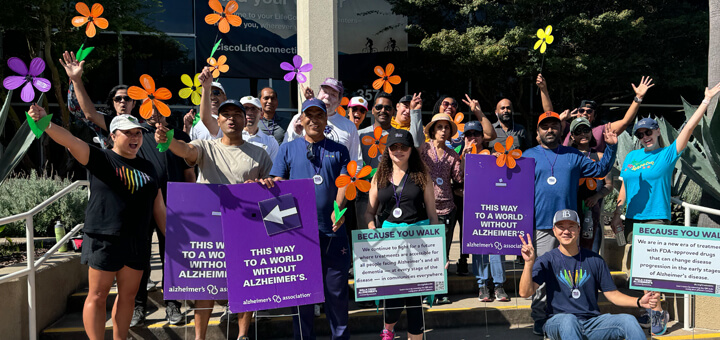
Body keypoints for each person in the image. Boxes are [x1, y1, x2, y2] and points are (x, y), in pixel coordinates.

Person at [29, 106, 166, 340]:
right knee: (98, 294)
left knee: (128, 296)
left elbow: (159, 207)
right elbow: (70, 141)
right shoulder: (101, 157)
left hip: (137, 241)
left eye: (138, 133)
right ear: (113, 136)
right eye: (128, 133)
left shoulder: (148, 167)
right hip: (104, 237)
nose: (134, 137)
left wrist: (172, 238)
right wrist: (46, 123)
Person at [158, 67, 274, 340]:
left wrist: (262, 187)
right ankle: (199, 337)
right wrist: (167, 141)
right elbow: (186, 151)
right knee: (205, 284)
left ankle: (243, 335)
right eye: (226, 115)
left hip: (248, 227)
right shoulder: (206, 146)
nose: (232, 119)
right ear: (218, 120)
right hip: (209, 228)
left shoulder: (261, 153)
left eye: (237, 115)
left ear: (245, 119)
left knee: (249, 282)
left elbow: (273, 190)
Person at [611, 82, 720, 335]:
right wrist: (618, 212)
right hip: (633, 220)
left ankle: (657, 311)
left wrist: (705, 100)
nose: (644, 137)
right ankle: (652, 307)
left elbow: (690, 128)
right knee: (638, 270)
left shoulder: (667, 154)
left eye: (648, 132)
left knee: (651, 270)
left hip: (656, 219)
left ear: (657, 132)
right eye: (639, 134)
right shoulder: (631, 158)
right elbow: (625, 186)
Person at [522, 111, 617, 335]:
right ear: (538, 132)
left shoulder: (573, 155)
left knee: (568, 275)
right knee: (541, 277)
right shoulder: (527, 156)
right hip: (542, 226)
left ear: (561, 130)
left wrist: (611, 147)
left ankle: (569, 318)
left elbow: (600, 170)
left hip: (568, 227)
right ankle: (539, 317)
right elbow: (507, 183)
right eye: (545, 126)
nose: (550, 130)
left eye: (554, 126)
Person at [270, 98, 351, 340]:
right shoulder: (287, 149)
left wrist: (339, 208)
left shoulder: (340, 150)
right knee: (302, 295)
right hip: (299, 234)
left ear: (326, 120)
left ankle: (341, 337)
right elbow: (278, 185)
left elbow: (344, 184)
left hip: (333, 233)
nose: (314, 120)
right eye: (309, 115)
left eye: (319, 115)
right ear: (302, 119)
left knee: (336, 294)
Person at [519, 209, 660, 340]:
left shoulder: (595, 259)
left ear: (579, 229)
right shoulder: (547, 260)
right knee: (569, 320)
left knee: (628, 320)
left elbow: (613, 295)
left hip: (592, 323)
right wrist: (528, 263)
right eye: (561, 226)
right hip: (558, 321)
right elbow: (525, 293)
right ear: (554, 230)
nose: (566, 231)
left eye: (571, 226)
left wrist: (639, 302)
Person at [365, 129, 439, 340]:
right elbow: (369, 212)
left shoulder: (422, 175)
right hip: (388, 243)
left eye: (403, 147)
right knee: (393, 296)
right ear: (388, 150)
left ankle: (415, 336)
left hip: (418, 242)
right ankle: (388, 329)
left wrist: (437, 248)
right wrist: (373, 234)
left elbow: (433, 215)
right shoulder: (379, 176)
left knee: (415, 299)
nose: (399, 151)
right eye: (394, 147)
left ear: (411, 150)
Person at [129, 110, 196, 328]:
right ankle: (138, 306)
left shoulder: (180, 136)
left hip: (175, 206)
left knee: (173, 257)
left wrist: (190, 204)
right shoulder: (137, 134)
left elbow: (188, 174)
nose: (154, 112)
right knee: (140, 256)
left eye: (159, 107)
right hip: (142, 204)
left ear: (167, 109)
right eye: (148, 107)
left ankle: (173, 304)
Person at [455, 121, 510, 301]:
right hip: (472, 208)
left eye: (476, 134)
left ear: (482, 137)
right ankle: (483, 286)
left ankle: (499, 285)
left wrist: (496, 160)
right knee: (479, 248)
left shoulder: (494, 154)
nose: (473, 138)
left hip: (493, 207)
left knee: (496, 245)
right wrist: (464, 157)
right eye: (469, 134)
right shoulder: (460, 156)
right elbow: (460, 179)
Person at [537, 74, 655, 150]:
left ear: (594, 116)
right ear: (576, 113)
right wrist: (543, 89)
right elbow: (549, 115)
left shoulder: (601, 131)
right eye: (581, 110)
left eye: (589, 111)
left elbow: (625, 122)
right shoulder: (567, 129)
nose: (584, 113)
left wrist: (638, 98)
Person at [419, 113, 463, 304]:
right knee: (425, 252)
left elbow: (459, 180)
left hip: (447, 207)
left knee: (442, 251)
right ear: (432, 130)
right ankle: (424, 290)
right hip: (425, 207)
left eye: (446, 128)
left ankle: (440, 290)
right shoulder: (423, 149)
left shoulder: (453, 155)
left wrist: (465, 158)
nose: (443, 131)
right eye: (439, 127)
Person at [60, 50, 141, 148]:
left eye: (127, 98)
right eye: (118, 98)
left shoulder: (141, 125)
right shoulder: (106, 121)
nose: (122, 101)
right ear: (113, 102)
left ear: (133, 103)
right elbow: (77, 109)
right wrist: (75, 79)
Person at [289, 77, 362, 163]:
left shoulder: (349, 126)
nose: (327, 97)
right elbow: (287, 151)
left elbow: (356, 161)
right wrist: (296, 133)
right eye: (325, 92)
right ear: (318, 95)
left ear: (339, 102)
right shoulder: (299, 119)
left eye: (333, 95)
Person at [567, 117, 613, 253]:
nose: (583, 134)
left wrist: (597, 197)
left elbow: (609, 184)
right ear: (572, 136)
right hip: (571, 210)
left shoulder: (599, 156)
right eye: (578, 131)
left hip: (592, 212)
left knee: (591, 249)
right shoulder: (566, 156)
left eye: (586, 130)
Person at [431, 95, 496, 147]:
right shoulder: (430, 129)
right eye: (446, 104)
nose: (450, 106)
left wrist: (478, 112)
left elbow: (490, 135)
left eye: (454, 105)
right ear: (438, 107)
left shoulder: (463, 129)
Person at [240, 96, 280, 160]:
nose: (249, 113)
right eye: (245, 108)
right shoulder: (229, 137)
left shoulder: (271, 142)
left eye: (253, 109)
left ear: (261, 114)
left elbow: (273, 168)